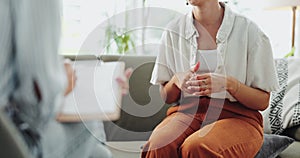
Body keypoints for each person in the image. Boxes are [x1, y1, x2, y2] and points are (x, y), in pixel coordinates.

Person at [141, 0, 279, 157]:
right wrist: (176, 81)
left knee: (197, 147)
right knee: (158, 146)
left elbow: (262, 101)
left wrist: (230, 84)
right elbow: (167, 97)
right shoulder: (173, 31)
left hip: (239, 117)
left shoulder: (250, 32)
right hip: (188, 113)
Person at [0, 0, 131, 157]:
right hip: (13, 139)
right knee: (90, 126)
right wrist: (64, 84)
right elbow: (36, 106)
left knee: (99, 153)